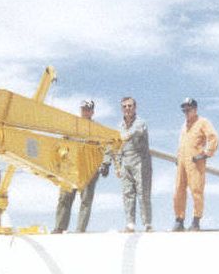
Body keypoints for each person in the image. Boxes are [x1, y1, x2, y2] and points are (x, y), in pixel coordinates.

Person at [53, 100, 108, 233]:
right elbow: (61, 144)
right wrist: (60, 162)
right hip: (71, 168)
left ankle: (80, 229)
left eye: (88, 109)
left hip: (89, 169)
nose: (85, 111)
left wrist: (106, 163)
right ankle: (60, 227)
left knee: (85, 200)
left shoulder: (97, 129)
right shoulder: (72, 127)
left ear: (92, 112)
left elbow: (106, 146)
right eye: (83, 109)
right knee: (65, 198)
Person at [173, 98, 219, 232]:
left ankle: (196, 220)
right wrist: (178, 156)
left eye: (189, 109)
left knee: (196, 190)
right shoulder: (184, 126)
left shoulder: (203, 122)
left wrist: (206, 153)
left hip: (195, 161)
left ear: (195, 109)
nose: (186, 112)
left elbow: (213, 137)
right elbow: (182, 143)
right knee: (178, 190)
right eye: (184, 110)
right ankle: (179, 219)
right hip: (182, 161)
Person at [115, 96, 152, 232]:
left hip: (140, 161)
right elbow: (117, 147)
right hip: (126, 162)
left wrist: (125, 136)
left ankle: (147, 223)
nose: (127, 109)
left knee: (143, 192)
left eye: (130, 106)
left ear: (135, 107)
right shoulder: (119, 126)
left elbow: (137, 132)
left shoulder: (140, 123)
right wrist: (117, 166)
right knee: (127, 193)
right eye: (124, 106)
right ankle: (130, 223)